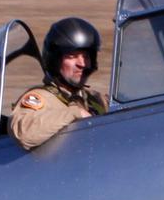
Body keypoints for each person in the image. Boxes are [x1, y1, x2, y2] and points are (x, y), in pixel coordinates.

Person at [11, 17, 108, 150]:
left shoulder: (96, 99)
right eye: (72, 56)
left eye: (86, 56)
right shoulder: (39, 98)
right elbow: (25, 134)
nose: (82, 64)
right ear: (55, 61)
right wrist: (75, 113)